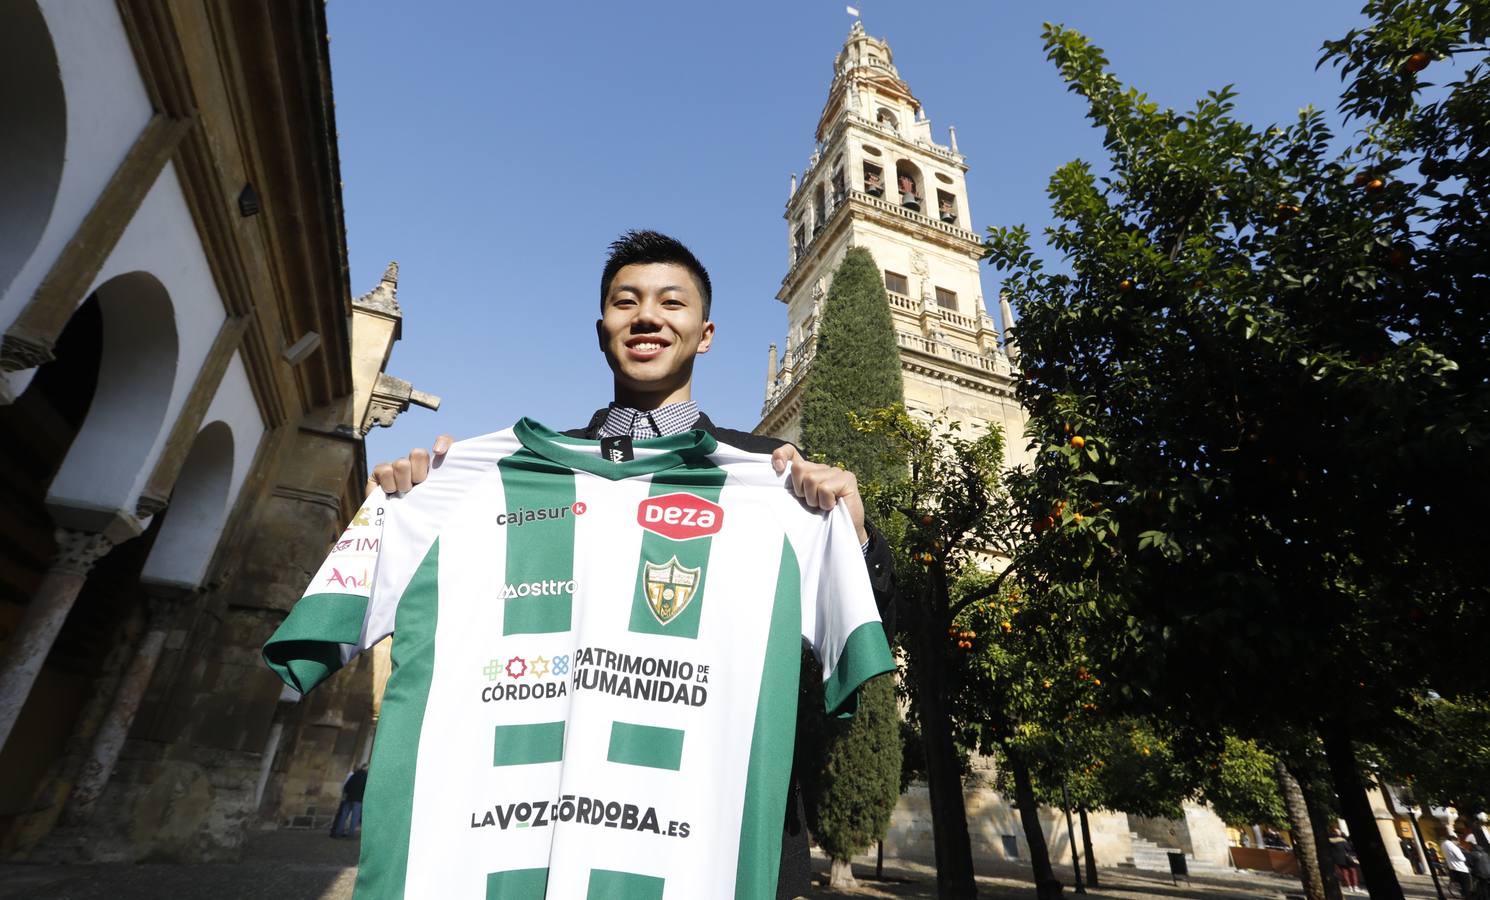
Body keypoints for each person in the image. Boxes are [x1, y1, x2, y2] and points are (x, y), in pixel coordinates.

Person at [366, 230, 897, 899]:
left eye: (670, 302)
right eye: (627, 301)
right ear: (602, 329)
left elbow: (875, 635)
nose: (647, 315)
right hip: (526, 850)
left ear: (704, 334)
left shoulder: (775, 479)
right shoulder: (502, 480)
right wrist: (413, 504)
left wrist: (856, 540)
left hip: (716, 854)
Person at [330, 765, 368, 839]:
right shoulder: (365, 778)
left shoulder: (354, 775)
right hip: (358, 800)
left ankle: (338, 832)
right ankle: (350, 834)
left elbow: (347, 786)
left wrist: (349, 794)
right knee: (355, 817)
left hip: (349, 798)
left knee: (343, 816)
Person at [1329, 826, 1362, 894]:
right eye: (1338, 831)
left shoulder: (1330, 841)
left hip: (1339, 860)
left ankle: (1349, 886)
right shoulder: (1342, 840)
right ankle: (1355, 886)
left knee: (1345, 872)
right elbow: (1348, 848)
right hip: (1347, 859)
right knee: (1353, 871)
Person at [1444, 826, 1473, 899]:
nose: (1458, 840)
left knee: (1462, 884)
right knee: (1466, 884)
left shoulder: (1445, 845)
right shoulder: (1455, 846)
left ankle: (1465, 895)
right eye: (1457, 839)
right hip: (1461, 868)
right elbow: (1462, 857)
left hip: (1454, 867)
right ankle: (1467, 896)